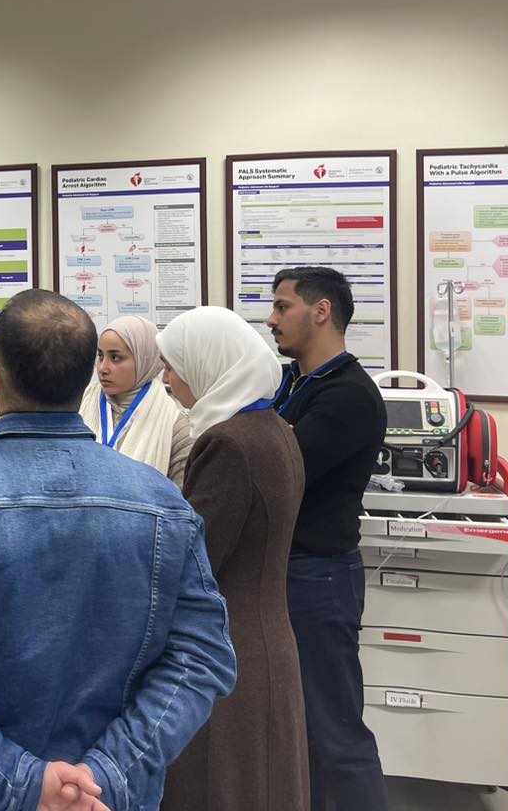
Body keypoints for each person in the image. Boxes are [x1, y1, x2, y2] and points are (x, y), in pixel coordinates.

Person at [0, 289, 237, 811]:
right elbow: (202, 659)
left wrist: (17, 780)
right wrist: (108, 773)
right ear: (85, 378)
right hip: (107, 801)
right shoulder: (164, 504)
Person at [155, 307, 309, 811]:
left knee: (221, 786)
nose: (168, 380)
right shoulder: (273, 428)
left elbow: (196, 558)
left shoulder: (227, 443)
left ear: (207, 362)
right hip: (267, 638)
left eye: (173, 366)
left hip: (226, 649)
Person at [267, 267, 389, 811]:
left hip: (318, 578)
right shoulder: (294, 382)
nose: (272, 319)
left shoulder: (348, 395)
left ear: (321, 312)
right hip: (289, 570)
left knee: (332, 729)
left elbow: (281, 469)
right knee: (299, 725)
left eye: (283, 307)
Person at [78, 314, 192, 481]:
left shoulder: (175, 426)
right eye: (101, 356)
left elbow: (181, 493)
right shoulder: (79, 404)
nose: (102, 368)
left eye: (115, 357)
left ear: (144, 359)